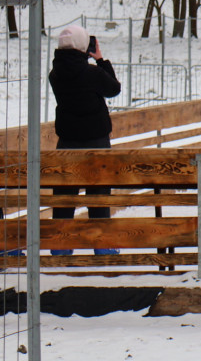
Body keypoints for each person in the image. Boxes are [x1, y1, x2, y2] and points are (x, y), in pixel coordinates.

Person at [48, 25, 122, 256]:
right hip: (96, 141)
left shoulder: (55, 75)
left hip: (67, 142)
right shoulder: (92, 74)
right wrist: (100, 60)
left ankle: (61, 246)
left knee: (64, 194)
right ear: (83, 46)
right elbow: (114, 88)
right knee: (98, 193)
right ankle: (101, 244)